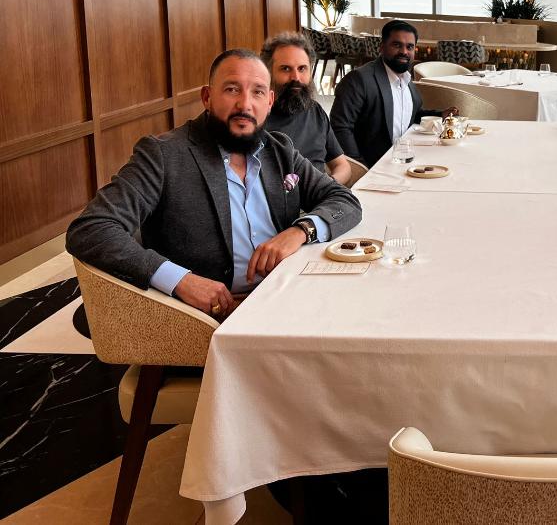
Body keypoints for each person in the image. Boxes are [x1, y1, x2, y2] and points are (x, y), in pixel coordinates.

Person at [67, 49, 362, 318]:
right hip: (205, 318)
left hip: (284, 294)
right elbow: (91, 228)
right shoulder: (164, 155)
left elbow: (344, 201)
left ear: (270, 102)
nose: (245, 104)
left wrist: (300, 231)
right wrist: (180, 280)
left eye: (258, 92)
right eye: (232, 89)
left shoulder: (280, 149)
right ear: (207, 97)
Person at [330, 20, 455, 167]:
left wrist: (441, 115)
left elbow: (409, 115)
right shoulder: (359, 80)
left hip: (404, 159)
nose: (404, 52)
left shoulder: (406, 79)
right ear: (382, 47)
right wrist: (358, 167)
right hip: (373, 166)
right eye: (397, 45)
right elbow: (340, 127)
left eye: (409, 47)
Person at [261, 32, 351, 184]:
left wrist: (327, 186)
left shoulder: (315, 110)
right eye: (285, 69)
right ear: (267, 72)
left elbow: (342, 165)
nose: (296, 77)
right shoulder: (256, 119)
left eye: (302, 68)